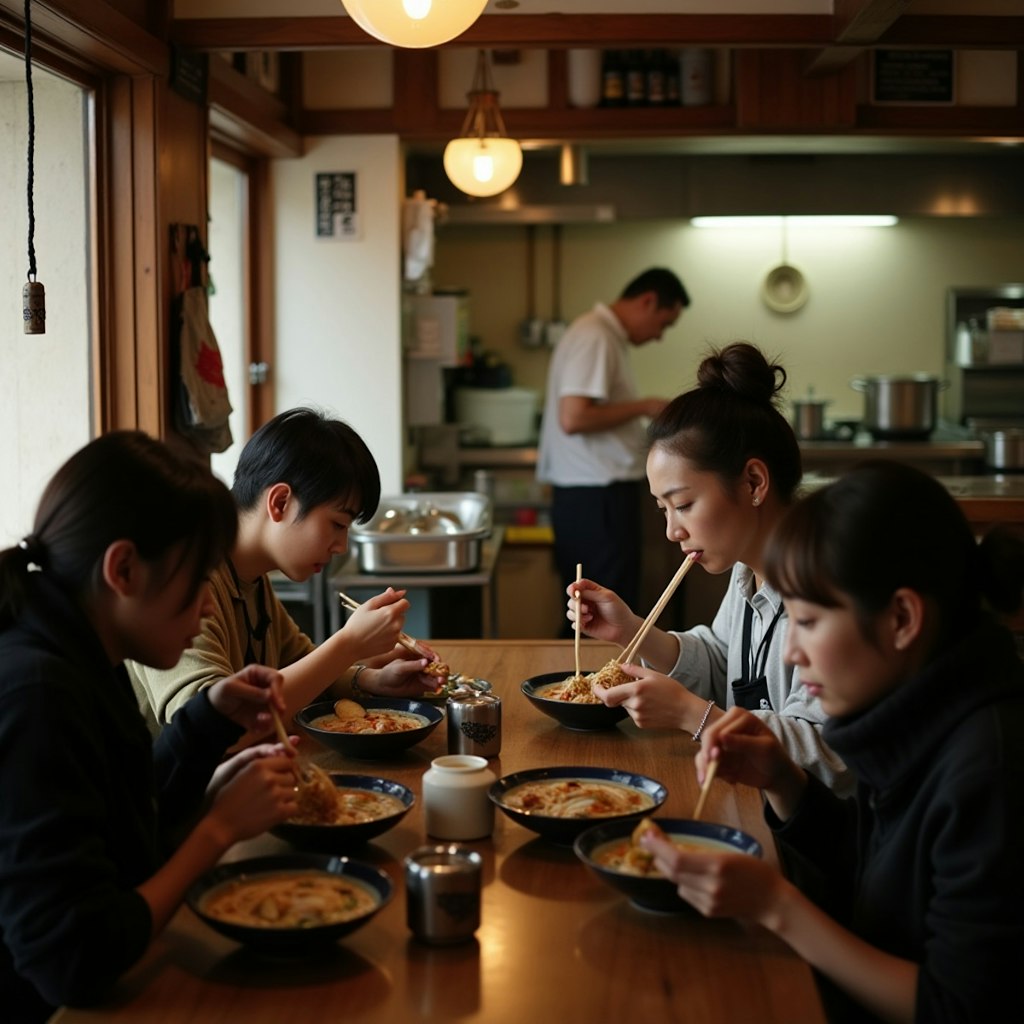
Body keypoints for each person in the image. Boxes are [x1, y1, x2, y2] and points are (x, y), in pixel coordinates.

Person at [640, 461, 1024, 1024]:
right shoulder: (909, 710)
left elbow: (955, 1006)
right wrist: (785, 782)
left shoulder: (990, 767)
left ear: (900, 618)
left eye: (810, 621)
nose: (792, 654)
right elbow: (874, 873)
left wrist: (777, 905)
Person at [0, 432, 301, 1023]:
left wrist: (207, 729)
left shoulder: (82, 649)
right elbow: (72, 961)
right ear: (124, 569)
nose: (209, 607)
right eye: (196, 583)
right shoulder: (36, 691)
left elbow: (121, 833)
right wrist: (216, 830)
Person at [572, 342, 850, 793]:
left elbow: (828, 748)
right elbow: (724, 663)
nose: (671, 531)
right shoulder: (748, 572)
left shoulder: (828, 586)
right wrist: (631, 630)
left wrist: (691, 715)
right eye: (662, 508)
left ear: (754, 482)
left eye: (682, 504)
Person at [130, 408, 440, 739]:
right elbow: (206, 731)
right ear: (279, 502)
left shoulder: (252, 576)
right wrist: (348, 644)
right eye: (337, 524)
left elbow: (304, 666)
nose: (341, 546)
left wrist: (369, 680)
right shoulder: (185, 573)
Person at [537, 266, 690, 619]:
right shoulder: (596, 336)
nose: (659, 336)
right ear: (648, 301)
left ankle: (597, 676)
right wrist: (646, 406)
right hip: (596, 500)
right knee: (598, 616)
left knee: (593, 613)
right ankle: (595, 677)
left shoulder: (600, 335)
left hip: (594, 497)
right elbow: (573, 417)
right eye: (664, 324)